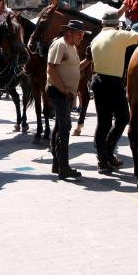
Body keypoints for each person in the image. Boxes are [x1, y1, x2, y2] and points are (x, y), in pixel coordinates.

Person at [89, 10, 138, 173]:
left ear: (102, 23)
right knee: (122, 118)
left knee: (103, 122)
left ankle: (102, 159)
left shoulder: (96, 39)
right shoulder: (119, 35)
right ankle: (108, 152)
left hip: (97, 81)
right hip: (112, 82)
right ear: (116, 24)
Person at [46, 20, 90, 180]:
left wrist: (88, 60)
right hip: (58, 92)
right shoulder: (60, 45)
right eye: (80, 34)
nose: (82, 37)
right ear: (69, 32)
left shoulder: (72, 47)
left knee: (60, 126)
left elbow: (74, 68)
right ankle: (63, 167)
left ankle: (57, 165)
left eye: (83, 34)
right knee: (65, 128)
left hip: (65, 93)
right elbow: (51, 69)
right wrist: (64, 89)